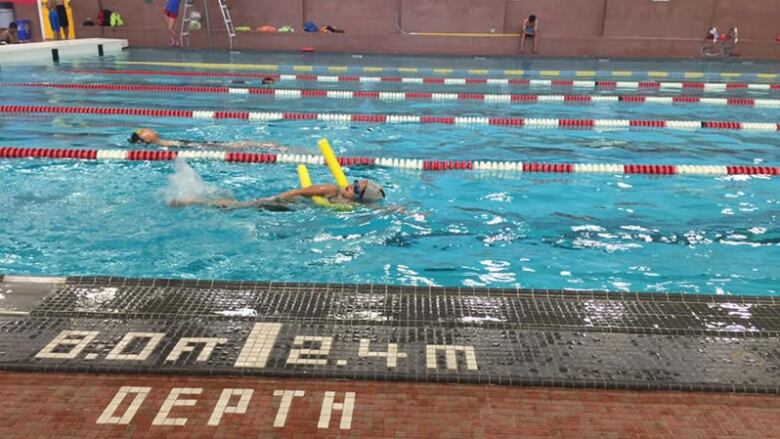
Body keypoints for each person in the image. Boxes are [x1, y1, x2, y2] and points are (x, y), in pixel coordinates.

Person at [169, 178, 387, 209]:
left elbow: (378, 209)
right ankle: (191, 200)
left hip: (294, 211)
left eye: (356, 188)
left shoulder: (354, 206)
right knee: (237, 207)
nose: (351, 184)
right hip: (286, 202)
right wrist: (279, 198)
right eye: (355, 181)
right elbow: (301, 190)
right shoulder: (331, 189)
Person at [128, 128, 296, 151]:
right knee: (242, 146)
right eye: (144, 132)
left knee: (244, 144)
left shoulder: (165, 142)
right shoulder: (163, 145)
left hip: (198, 145)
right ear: (146, 140)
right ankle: (275, 148)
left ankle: (272, 147)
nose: (147, 129)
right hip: (200, 148)